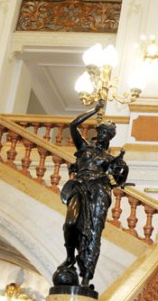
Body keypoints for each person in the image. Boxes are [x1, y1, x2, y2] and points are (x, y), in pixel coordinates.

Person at [53, 102, 129, 290]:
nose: (104, 137)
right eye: (102, 132)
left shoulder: (110, 159)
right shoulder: (84, 148)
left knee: (94, 232)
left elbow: (118, 180)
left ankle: (86, 277)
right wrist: (94, 111)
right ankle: (70, 256)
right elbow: (73, 125)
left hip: (99, 191)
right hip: (79, 186)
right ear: (98, 133)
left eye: (108, 135)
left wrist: (121, 167)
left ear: (110, 138)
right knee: (70, 222)